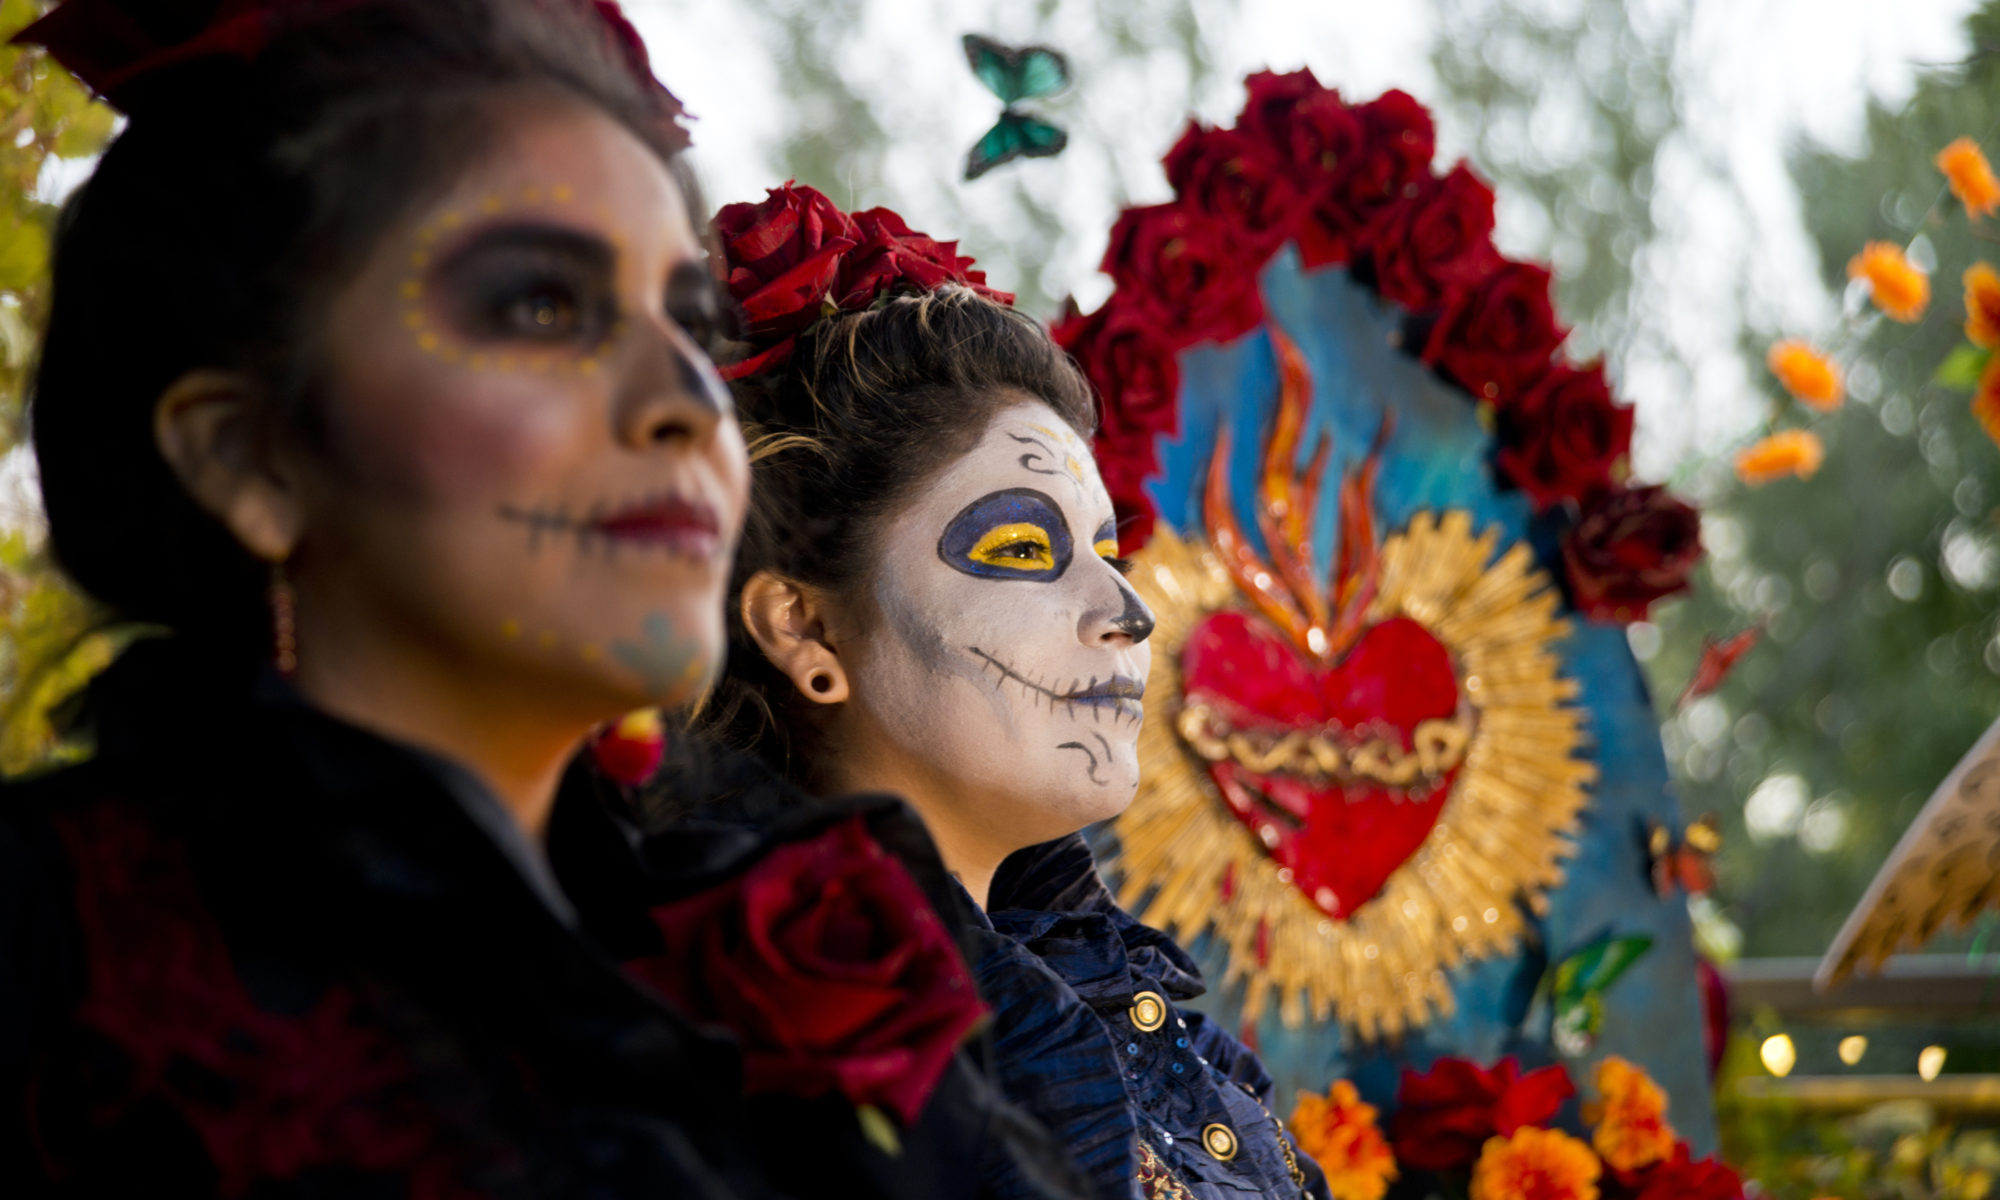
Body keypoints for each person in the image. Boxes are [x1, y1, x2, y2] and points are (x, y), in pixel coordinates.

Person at [0, 4, 1084, 1197]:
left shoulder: (796, 959)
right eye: (542, 308)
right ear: (249, 455)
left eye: (688, 320)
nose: (680, 398)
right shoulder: (65, 953)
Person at [695, 181, 1331, 1200]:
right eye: (1023, 545)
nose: (1127, 610)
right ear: (802, 624)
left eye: (1108, 550)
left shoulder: (1160, 1037)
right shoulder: (723, 1045)